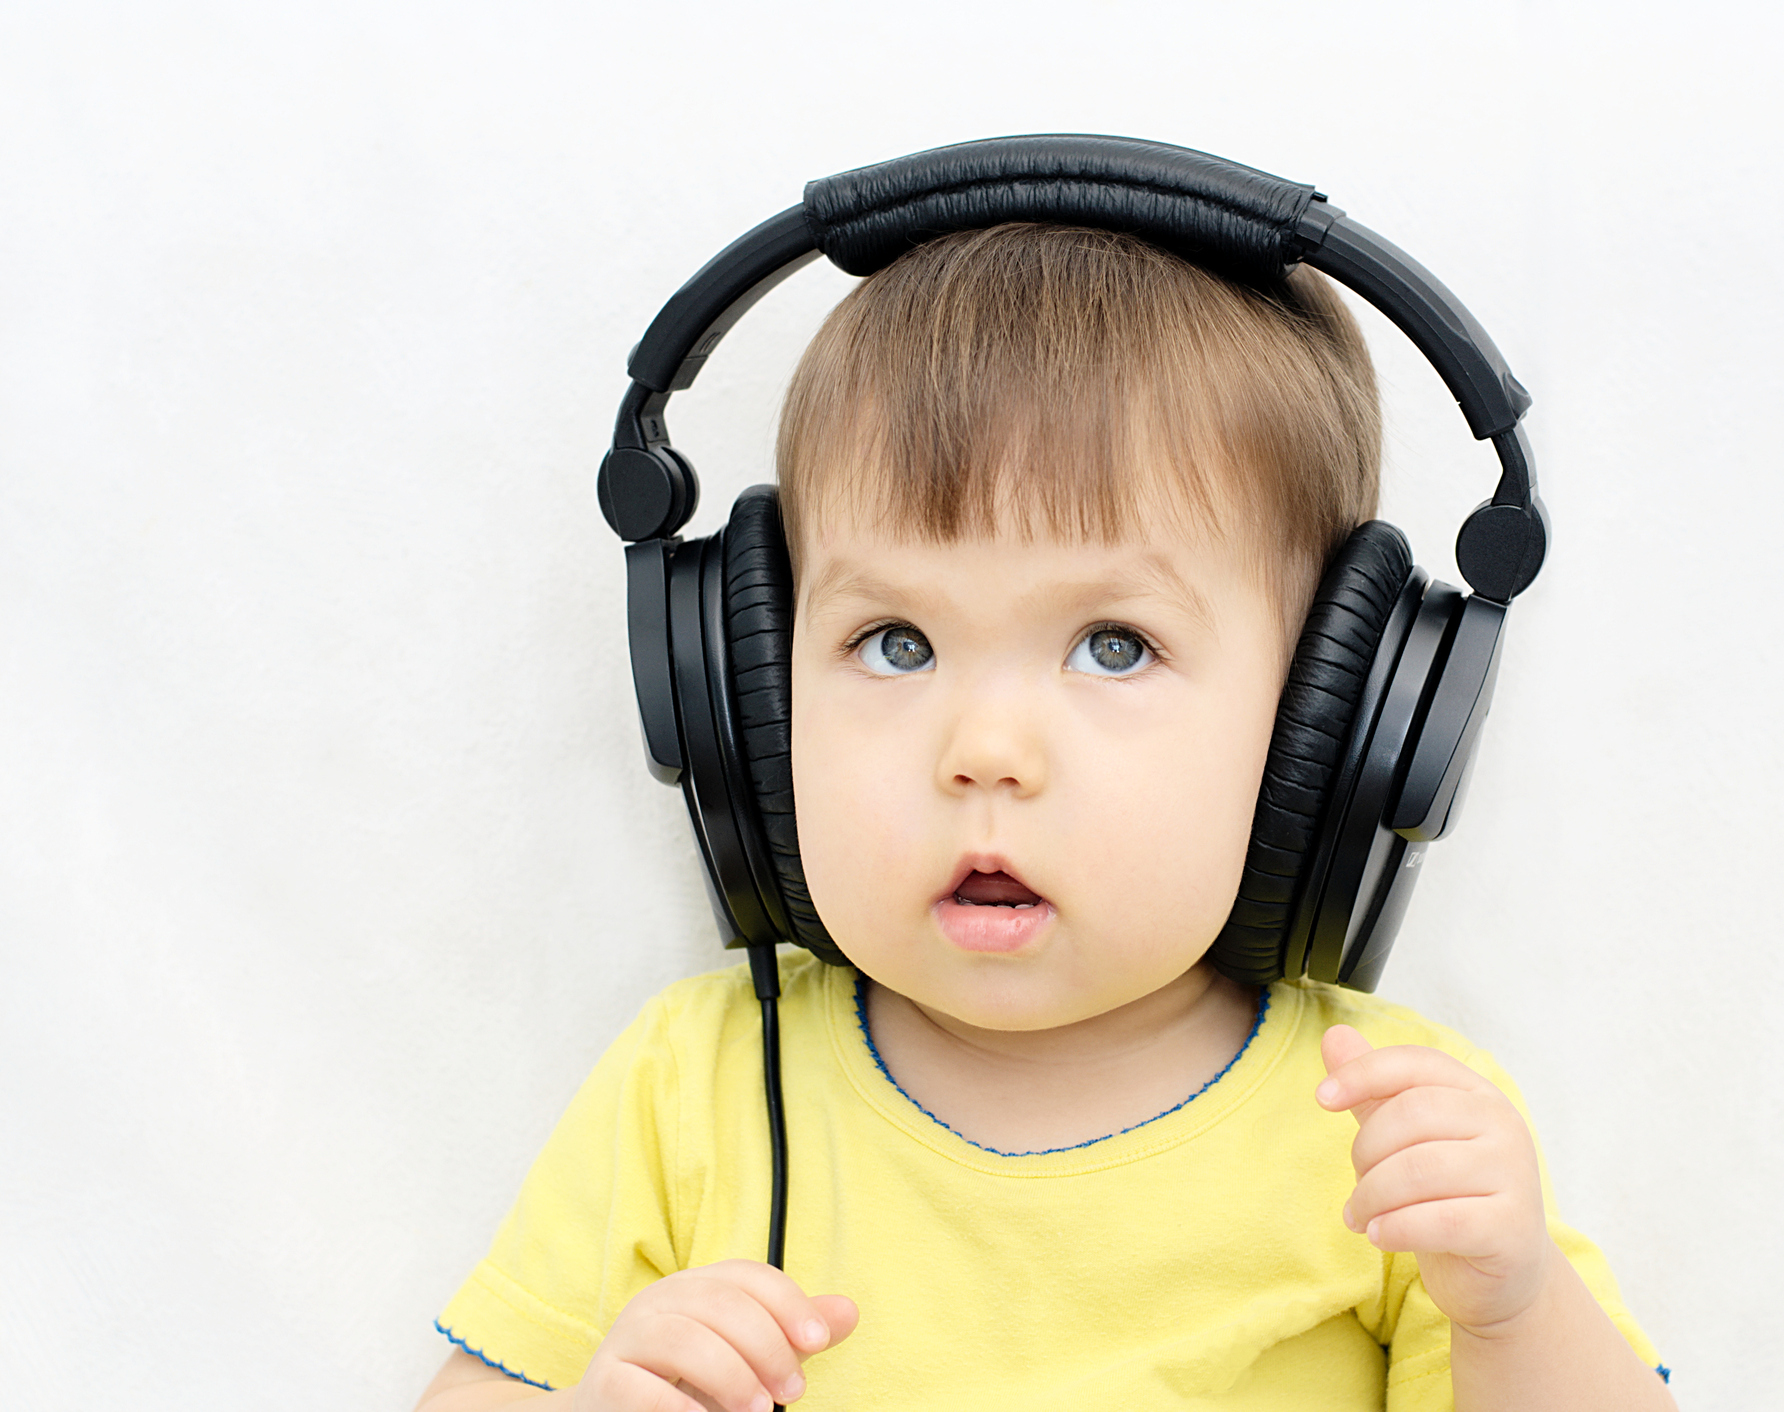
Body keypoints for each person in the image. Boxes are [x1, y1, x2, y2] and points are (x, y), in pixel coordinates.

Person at [413, 222, 1675, 1412]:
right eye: (893, 641)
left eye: (1114, 645)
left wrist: (1512, 1309)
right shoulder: (694, 1083)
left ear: (1326, 734)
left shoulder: (1388, 1125)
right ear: (744, 703)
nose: (985, 751)